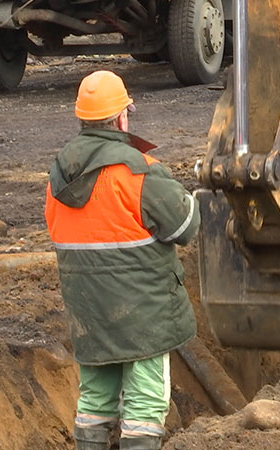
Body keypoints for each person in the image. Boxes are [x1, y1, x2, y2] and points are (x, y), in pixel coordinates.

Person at [44, 70, 200, 450]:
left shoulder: (58, 178)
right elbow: (185, 227)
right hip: (143, 312)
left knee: (95, 398)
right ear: (121, 118)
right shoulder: (137, 171)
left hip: (89, 312)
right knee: (146, 401)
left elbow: (59, 233)